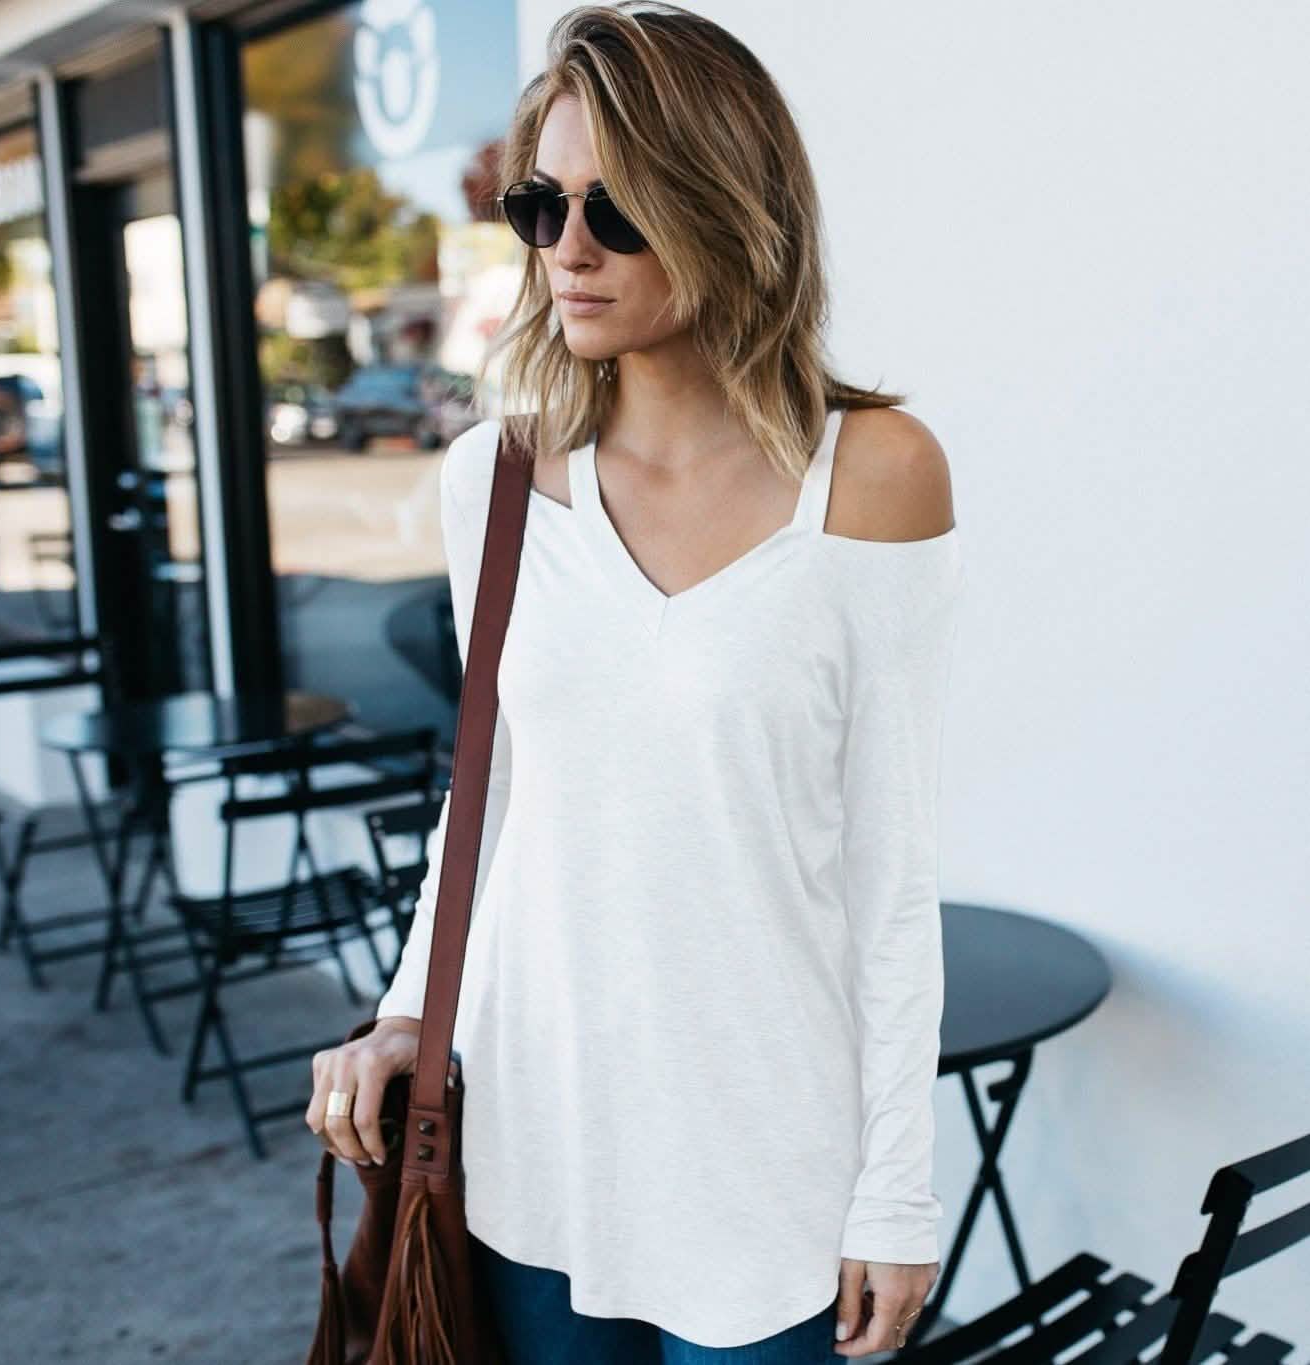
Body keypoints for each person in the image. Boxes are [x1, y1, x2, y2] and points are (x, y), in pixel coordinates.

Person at [306, 4, 965, 1361]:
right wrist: (409, 1008)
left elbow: (890, 871)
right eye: (538, 206)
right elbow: (486, 796)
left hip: (772, 1169)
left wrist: (895, 1185)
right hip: (538, 1151)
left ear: (729, 211)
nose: (568, 250)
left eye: (619, 210)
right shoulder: (486, 484)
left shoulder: (875, 475)